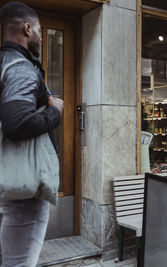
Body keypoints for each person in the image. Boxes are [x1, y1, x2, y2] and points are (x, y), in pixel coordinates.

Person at [0, 2, 64, 266]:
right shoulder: (21, 67)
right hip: (22, 190)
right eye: (38, 30)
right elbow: (17, 122)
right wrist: (56, 112)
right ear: (27, 29)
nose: (39, 36)